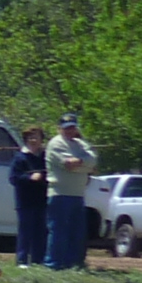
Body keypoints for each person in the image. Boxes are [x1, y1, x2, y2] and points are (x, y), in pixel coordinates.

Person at [44, 112, 97, 270]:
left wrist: (80, 162)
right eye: (66, 128)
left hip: (78, 195)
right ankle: (53, 264)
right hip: (60, 194)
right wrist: (84, 164)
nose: (69, 131)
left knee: (77, 233)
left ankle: (74, 264)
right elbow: (68, 165)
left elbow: (93, 161)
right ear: (59, 128)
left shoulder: (81, 144)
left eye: (72, 127)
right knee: (59, 231)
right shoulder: (56, 144)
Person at [8, 125, 48, 267]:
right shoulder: (20, 158)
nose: (33, 140)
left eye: (36, 137)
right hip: (25, 202)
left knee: (41, 233)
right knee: (26, 233)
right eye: (30, 137)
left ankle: (38, 261)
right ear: (25, 140)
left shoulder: (45, 157)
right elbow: (13, 178)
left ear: (41, 139)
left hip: (42, 201)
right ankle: (22, 261)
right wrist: (30, 177)